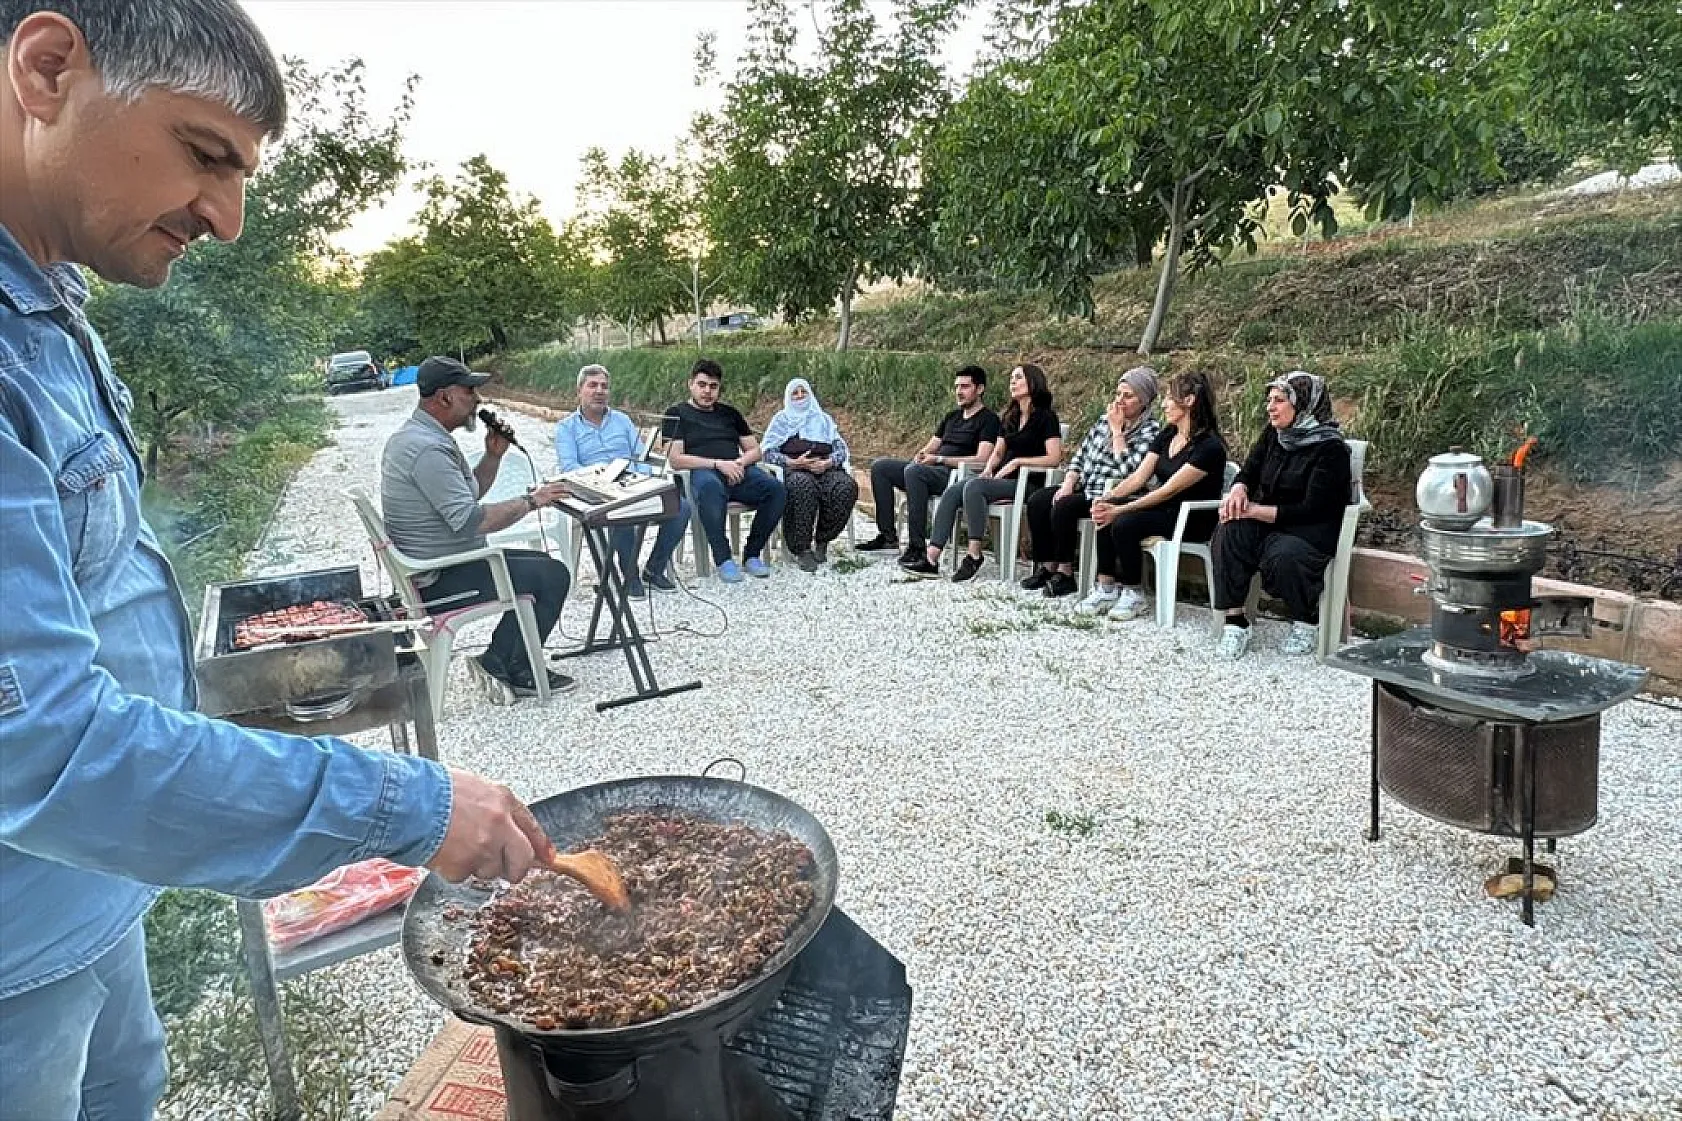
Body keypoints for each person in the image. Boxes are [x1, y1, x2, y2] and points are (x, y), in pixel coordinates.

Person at [0, 6, 558, 1117]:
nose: (230, 216)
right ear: (49, 68)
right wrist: (411, 801)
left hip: (89, 900)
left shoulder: (55, 313)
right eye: (206, 154)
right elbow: (39, 747)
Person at [381, 356, 577, 703]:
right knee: (553, 575)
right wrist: (534, 500)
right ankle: (511, 666)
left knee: (541, 567)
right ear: (444, 397)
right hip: (438, 578)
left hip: (443, 563)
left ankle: (503, 660)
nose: (477, 399)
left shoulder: (425, 436)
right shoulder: (426, 448)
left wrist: (493, 455)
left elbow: (470, 493)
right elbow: (475, 519)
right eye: (469, 391)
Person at [1210, 371, 1353, 659]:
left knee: (1284, 555)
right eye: (1269, 400)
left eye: (1278, 400)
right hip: (1266, 521)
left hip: (1308, 529)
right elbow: (1250, 469)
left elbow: (1313, 509)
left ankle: (1305, 621)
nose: (1270, 407)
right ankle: (1235, 622)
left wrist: (1254, 510)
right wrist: (1239, 488)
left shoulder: (1331, 449)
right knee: (1229, 532)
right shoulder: (1274, 435)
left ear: (1302, 405)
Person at [1076, 370, 1229, 619]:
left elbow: (1168, 491)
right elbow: (1138, 477)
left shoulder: (1208, 447)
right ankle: (1105, 587)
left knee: (1124, 521)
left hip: (1189, 518)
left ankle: (1134, 593)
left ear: (1189, 401)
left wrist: (1121, 510)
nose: (1165, 403)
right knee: (1106, 510)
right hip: (1163, 509)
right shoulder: (1168, 434)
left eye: (1170, 397)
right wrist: (1109, 498)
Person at [907, 363, 1064, 583]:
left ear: (1033, 382)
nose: (1012, 382)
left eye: (1018, 378)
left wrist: (1018, 462)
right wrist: (989, 468)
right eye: (1011, 378)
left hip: (1027, 483)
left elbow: (1054, 458)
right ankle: (931, 558)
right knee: (954, 491)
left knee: (974, 487)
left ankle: (974, 554)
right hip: (1002, 479)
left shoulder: (1046, 417)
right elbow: (998, 452)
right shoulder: (1010, 416)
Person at [1019, 366, 1161, 598]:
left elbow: (1129, 470)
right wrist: (1068, 482)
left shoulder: (1151, 430)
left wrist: (1117, 433)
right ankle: (1046, 565)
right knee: (1040, 500)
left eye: (1128, 396)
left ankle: (1065, 574)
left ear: (1143, 400)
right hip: (1087, 487)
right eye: (1118, 394)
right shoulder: (1103, 421)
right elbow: (1080, 457)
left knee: (1064, 508)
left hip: (1115, 494)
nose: (1120, 401)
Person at [554, 363, 691, 596]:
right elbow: (570, 468)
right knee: (622, 512)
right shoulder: (566, 428)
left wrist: (639, 478)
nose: (599, 391)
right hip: (595, 490)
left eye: (604, 387)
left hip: (631, 483)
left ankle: (654, 569)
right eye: (593, 385)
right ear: (579, 391)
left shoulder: (622, 421)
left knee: (682, 507)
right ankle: (629, 575)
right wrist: (604, 482)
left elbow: (640, 457)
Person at [857, 364, 1000, 566]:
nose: (959, 392)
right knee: (881, 467)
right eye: (957, 386)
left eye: (965, 386)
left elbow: (981, 460)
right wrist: (922, 455)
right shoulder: (952, 417)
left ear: (980, 389)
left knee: (915, 473)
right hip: (931, 470)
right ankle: (888, 537)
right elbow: (931, 447)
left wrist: (940, 460)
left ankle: (917, 547)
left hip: (954, 476)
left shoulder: (989, 420)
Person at [661, 357, 787, 583]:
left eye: (713, 386)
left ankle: (752, 554)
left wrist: (738, 463)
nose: (707, 391)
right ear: (690, 384)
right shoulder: (676, 414)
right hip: (703, 471)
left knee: (775, 489)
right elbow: (676, 459)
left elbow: (755, 451)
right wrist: (719, 464)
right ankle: (723, 558)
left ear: (719, 388)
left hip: (737, 470)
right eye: (702, 385)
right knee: (710, 488)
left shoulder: (730, 414)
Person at [761, 377, 859, 572]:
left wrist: (827, 463)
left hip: (825, 468)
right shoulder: (781, 420)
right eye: (794, 393)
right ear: (788, 397)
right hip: (795, 469)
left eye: (803, 392)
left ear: (809, 394)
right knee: (802, 487)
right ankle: (801, 548)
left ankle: (823, 540)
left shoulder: (823, 419)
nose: (799, 396)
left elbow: (840, 449)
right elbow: (767, 452)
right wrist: (793, 462)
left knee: (845, 487)